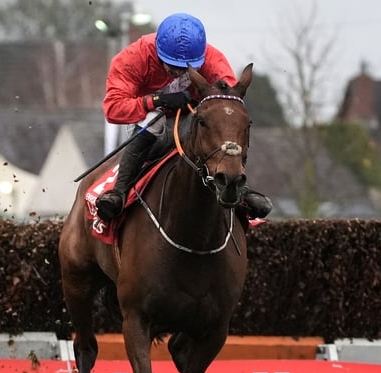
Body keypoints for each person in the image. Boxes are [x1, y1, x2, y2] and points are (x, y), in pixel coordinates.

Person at [95, 12, 273, 221]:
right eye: (174, 66)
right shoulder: (133, 59)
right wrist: (156, 101)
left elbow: (228, 105)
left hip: (192, 120)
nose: (180, 72)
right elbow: (113, 109)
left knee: (221, 123)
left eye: (186, 68)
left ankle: (239, 190)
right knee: (153, 121)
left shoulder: (213, 60)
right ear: (158, 53)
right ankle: (119, 192)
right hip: (150, 125)